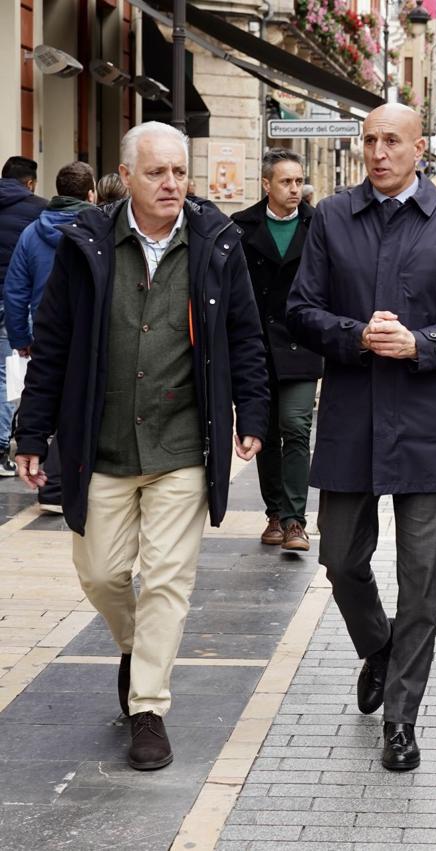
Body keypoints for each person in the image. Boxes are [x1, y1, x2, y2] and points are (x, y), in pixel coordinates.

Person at [13, 121, 270, 771]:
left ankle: (148, 705)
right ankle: (136, 644)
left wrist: (253, 412)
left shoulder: (215, 243)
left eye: (179, 172)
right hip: (98, 444)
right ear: (123, 177)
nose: (171, 184)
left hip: (181, 444)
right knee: (100, 572)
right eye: (156, 172)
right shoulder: (87, 244)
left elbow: (245, 334)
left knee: (166, 579)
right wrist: (32, 429)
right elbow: (54, 344)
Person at [286, 104, 436, 772]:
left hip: (426, 423)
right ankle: (376, 644)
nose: (379, 152)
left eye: (392, 141)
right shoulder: (331, 218)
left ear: (419, 148)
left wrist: (420, 342)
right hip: (352, 415)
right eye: (370, 140)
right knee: (340, 557)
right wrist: (353, 335)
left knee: (422, 582)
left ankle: (401, 720)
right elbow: (299, 308)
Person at [231, 149, 321, 552]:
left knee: (296, 425)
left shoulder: (318, 226)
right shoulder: (238, 228)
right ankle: (274, 514)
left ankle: (296, 520)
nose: (294, 189)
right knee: (262, 431)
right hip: (256, 345)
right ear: (266, 184)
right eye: (286, 182)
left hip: (302, 343)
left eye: (299, 181)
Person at [4, 161, 97, 510]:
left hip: (46, 329)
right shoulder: (99, 230)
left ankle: (55, 481)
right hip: (89, 330)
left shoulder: (31, 233)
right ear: (91, 193)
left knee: (50, 399)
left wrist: (20, 337)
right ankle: (63, 482)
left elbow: (15, 290)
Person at [0, 155, 47, 476]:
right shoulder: (37, 210)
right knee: (6, 375)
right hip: (11, 301)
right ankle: (2, 446)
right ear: (29, 183)